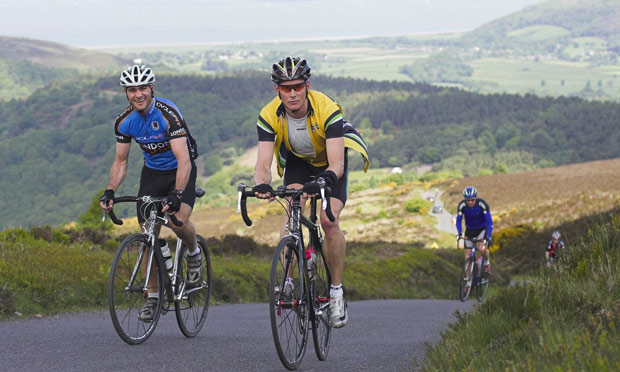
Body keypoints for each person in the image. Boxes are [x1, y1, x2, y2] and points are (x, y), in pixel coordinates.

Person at [252, 56, 369, 328]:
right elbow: (262, 163)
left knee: (329, 221)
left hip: (330, 163)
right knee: (293, 213)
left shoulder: (326, 108)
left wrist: (326, 178)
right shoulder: (269, 114)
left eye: (297, 87)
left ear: (307, 86)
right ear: (277, 90)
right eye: (285, 88)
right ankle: (289, 280)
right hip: (298, 162)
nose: (292, 93)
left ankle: (336, 292)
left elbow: (337, 163)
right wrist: (261, 183)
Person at [99, 65, 201, 322]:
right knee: (147, 234)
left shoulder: (168, 114)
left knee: (178, 221)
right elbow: (121, 162)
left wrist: (177, 193)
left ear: (151, 88)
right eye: (132, 90)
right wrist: (110, 190)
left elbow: (184, 159)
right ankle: (153, 297)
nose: (138, 94)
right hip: (153, 174)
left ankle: (193, 251)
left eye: (143, 88)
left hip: (180, 169)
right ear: (126, 93)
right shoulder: (124, 122)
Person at [455, 186, 494, 273]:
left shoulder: (482, 204)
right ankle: (468, 284)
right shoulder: (462, 205)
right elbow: (458, 221)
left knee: (481, 248)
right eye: (467, 200)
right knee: (467, 256)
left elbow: (490, 222)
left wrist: (488, 236)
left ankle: (487, 263)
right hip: (470, 229)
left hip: (482, 229)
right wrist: (459, 233)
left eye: (472, 200)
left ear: (476, 197)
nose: (470, 202)